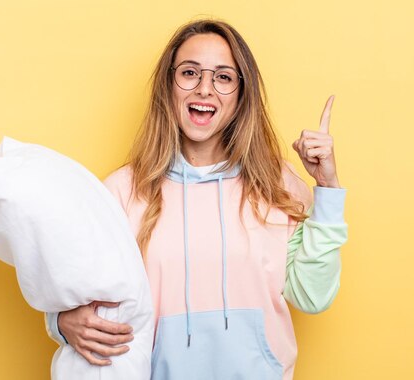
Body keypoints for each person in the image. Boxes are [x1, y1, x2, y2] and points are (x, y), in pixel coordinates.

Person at [45, 19, 348, 380]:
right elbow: (77, 293)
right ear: (168, 85)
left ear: (240, 93)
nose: (205, 89)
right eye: (190, 73)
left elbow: (312, 296)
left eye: (223, 77)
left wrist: (327, 188)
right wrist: (60, 322)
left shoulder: (276, 183)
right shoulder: (122, 191)